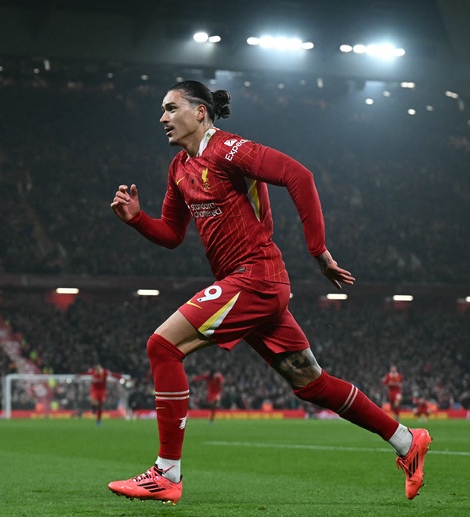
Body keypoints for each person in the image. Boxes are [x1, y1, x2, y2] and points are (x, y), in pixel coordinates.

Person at [107, 80, 432, 505]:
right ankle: (407, 440)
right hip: (249, 284)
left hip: (254, 276)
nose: (162, 118)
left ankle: (166, 473)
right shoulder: (179, 168)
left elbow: (299, 175)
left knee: (162, 347)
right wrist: (137, 219)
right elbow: (171, 234)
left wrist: (318, 250)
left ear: (200, 112)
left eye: (171, 108)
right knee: (310, 382)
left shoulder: (230, 150)